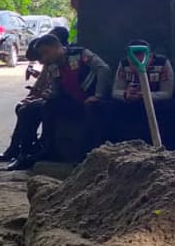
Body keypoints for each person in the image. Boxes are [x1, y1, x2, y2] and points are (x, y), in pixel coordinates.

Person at [9, 33, 111, 169]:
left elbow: (103, 68)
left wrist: (98, 95)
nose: (44, 58)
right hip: (69, 101)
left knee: (91, 109)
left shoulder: (80, 54)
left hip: (90, 100)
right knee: (27, 110)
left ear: (57, 47)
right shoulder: (52, 66)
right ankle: (26, 154)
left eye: (46, 52)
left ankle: (86, 156)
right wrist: (42, 95)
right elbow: (56, 91)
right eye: (42, 55)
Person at [109, 39, 175, 145]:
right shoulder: (124, 64)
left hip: (157, 104)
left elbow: (167, 93)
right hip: (130, 103)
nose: (136, 63)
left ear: (150, 56)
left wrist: (147, 96)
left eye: (141, 57)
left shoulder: (162, 63)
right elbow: (116, 90)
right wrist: (126, 94)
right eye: (133, 59)